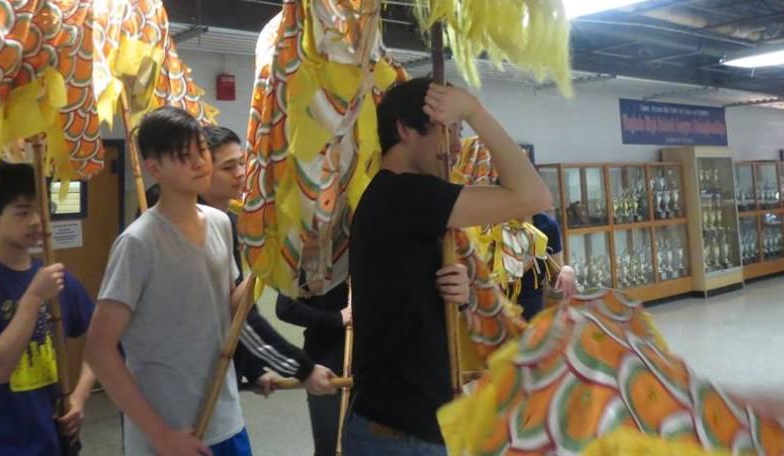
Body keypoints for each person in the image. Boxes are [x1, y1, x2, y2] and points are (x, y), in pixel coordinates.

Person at [345, 79, 552, 455]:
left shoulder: (390, 195)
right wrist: (475, 110)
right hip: (401, 435)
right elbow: (533, 195)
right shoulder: (405, 193)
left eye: (461, 131)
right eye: (449, 132)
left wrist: (449, 288)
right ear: (405, 131)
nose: (457, 147)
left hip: (398, 424)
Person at [86, 107, 250, 456]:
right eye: (183, 156)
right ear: (154, 167)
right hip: (168, 432)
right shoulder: (138, 243)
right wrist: (160, 435)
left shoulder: (221, 222)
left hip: (226, 415)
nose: (199, 163)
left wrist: (269, 267)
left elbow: (228, 306)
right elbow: (99, 349)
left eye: (202, 151)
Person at [0, 161, 95, 455]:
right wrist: (33, 297)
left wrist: (79, 397)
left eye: (43, 209)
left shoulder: (56, 278)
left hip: (53, 440)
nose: (38, 221)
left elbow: (100, 340)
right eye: (24, 212)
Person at [199, 125, 336, 398]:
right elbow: (238, 315)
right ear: (200, 169)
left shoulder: (230, 222)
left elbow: (237, 311)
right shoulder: (198, 227)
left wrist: (255, 367)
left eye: (242, 163)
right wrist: (303, 369)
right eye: (228, 168)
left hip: (223, 374)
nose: (240, 174)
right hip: (193, 380)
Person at [275, 282, 349, 456]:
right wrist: (336, 318)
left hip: (369, 366)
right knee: (329, 448)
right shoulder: (314, 257)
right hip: (326, 366)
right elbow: (285, 308)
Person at [516, 212, 577, 321]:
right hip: (498, 309)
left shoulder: (547, 225)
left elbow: (554, 279)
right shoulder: (491, 227)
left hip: (533, 311)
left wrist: (566, 272)